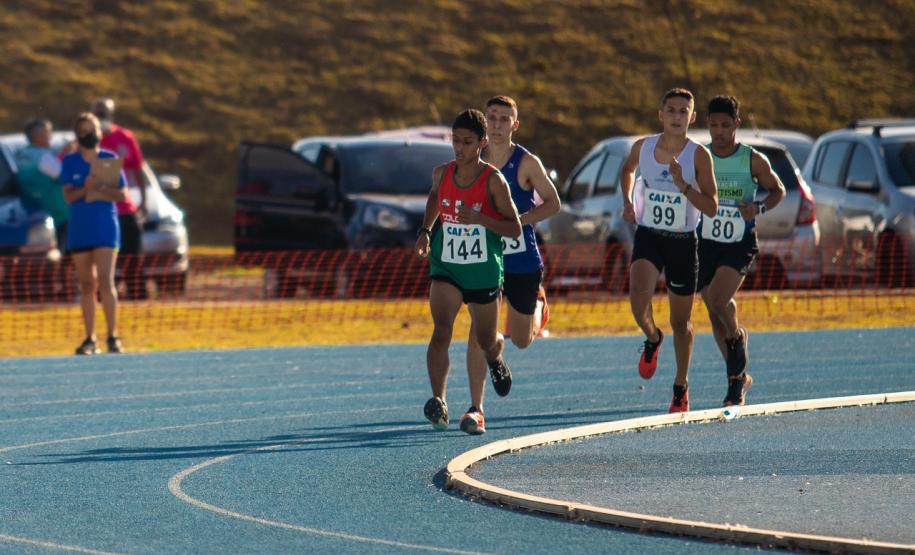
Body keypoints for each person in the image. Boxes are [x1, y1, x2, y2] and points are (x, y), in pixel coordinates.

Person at [416, 109, 522, 435]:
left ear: (482, 142)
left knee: (486, 339)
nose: (459, 148)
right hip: (447, 265)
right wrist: (426, 230)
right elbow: (435, 197)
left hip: (483, 271)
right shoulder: (441, 173)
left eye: (467, 142)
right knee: (441, 330)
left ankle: (495, 358)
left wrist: (480, 220)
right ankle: (439, 401)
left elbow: (514, 227)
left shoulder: (493, 181)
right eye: (455, 141)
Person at [619, 88, 718, 412]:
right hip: (649, 235)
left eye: (683, 111)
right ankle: (651, 337)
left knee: (681, 322)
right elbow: (627, 169)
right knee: (637, 297)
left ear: (692, 117)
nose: (677, 116)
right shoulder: (644, 147)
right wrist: (628, 202)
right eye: (671, 110)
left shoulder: (698, 156)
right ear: (660, 114)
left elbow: (712, 207)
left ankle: (680, 385)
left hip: (682, 243)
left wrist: (683, 185)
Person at [464, 95, 560, 401]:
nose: (496, 124)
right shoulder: (472, 160)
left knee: (520, 340)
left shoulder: (526, 163)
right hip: (484, 259)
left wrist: (522, 219)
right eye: (491, 117)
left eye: (504, 119)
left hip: (521, 260)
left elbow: (554, 203)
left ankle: (536, 304)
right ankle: (476, 409)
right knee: (477, 335)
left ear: (514, 125)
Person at [699, 95, 785, 406]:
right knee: (713, 309)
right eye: (713, 125)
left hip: (739, 242)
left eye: (725, 125)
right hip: (705, 242)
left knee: (719, 299)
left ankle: (737, 341)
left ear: (737, 124)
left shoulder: (752, 159)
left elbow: (778, 190)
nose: (718, 131)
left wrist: (758, 207)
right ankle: (736, 378)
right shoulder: (701, 156)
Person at [60, 113, 128, 354]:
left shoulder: (109, 159)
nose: (90, 134)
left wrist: (100, 186)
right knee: (86, 284)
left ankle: (113, 335)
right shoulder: (70, 162)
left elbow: (122, 195)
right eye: (84, 130)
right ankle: (90, 337)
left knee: (106, 282)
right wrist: (85, 187)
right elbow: (68, 196)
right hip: (80, 228)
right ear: (77, 135)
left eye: (93, 129)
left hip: (105, 227)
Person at [91, 98, 147, 300]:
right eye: (97, 113)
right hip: (100, 210)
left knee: (133, 258)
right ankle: (103, 298)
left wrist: (144, 202)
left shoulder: (125, 137)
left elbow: (138, 170)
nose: (101, 117)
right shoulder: (87, 142)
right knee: (102, 261)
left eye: (103, 113)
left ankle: (137, 296)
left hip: (124, 209)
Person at [15, 119, 70, 251]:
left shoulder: (21, 154)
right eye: (48, 133)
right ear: (40, 135)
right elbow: (66, 178)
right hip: (57, 213)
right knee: (64, 251)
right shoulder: (44, 156)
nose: (51, 137)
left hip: (32, 212)